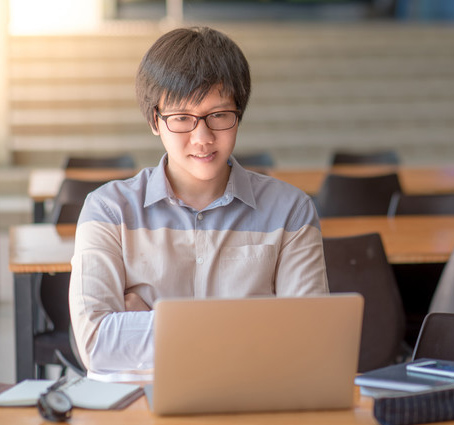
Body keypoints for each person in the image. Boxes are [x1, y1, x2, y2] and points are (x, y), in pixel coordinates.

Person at [69, 26, 329, 381]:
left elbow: (309, 340)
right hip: (134, 413)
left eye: (219, 115)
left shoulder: (291, 210)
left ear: (239, 114)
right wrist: (255, 322)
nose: (202, 138)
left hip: (253, 407)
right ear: (154, 121)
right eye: (181, 119)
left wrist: (150, 320)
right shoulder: (108, 210)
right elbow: (96, 343)